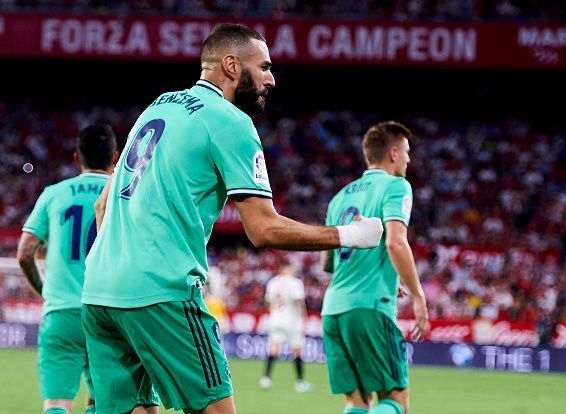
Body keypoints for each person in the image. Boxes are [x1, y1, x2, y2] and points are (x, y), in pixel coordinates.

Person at [81, 23, 383, 414]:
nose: (272, 79)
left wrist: (121, 265)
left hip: (99, 292)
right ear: (231, 65)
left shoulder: (157, 106)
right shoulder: (230, 121)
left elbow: (101, 205)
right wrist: (351, 234)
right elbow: (262, 228)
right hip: (161, 290)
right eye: (264, 67)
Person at [321, 121, 430, 414]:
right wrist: (419, 296)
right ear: (393, 153)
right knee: (395, 401)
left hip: (333, 310)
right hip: (369, 307)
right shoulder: (397, 186)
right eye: (406, 151)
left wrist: (385, 274)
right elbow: (396, 243)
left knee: (357, 403)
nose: (409, 158)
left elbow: (328, 262)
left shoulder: (339, 197)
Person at [16, 124, 118, 414]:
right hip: (108, 311)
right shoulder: (124, 196)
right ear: (115, 157)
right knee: (103, 403)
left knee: (57, 405)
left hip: (62, 312)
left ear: (77, 158)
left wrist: (45, 290)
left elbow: (25, 253)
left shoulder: (54, 194)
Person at [260, 259, 312, 393]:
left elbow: (268, 302)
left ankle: (266, 379)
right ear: (286, 269)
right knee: (297, 350)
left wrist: (274, 313)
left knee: (274, 349)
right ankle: (300, 382)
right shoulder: (295, 282)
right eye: (292, 268)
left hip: (275, 318)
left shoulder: (272, 282)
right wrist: (304, 317)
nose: (294, 271)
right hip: (292, 320)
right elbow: (298, 301)